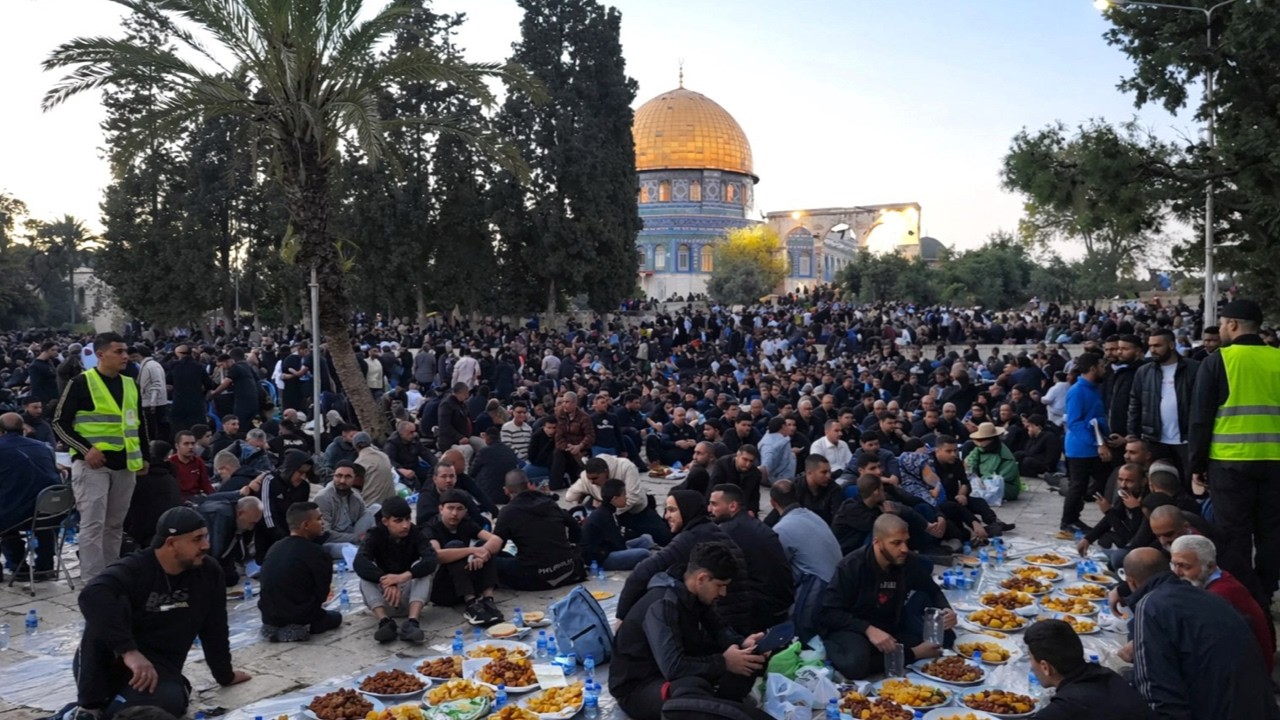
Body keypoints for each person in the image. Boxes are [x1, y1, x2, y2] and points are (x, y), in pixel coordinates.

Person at [69, 507, 251, 720]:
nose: (206, 546)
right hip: (113, 660)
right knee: (101, 612)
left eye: (205, 537)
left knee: (161, 707)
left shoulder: (208, 573)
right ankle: (89, 707)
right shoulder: (136, 567)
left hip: (159, 669)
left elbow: (216, 628)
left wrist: (225, 675)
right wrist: (128, 650)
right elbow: (91, 595)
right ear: (171, 543)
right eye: (197, 539)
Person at [1187, 299, 1280, 614]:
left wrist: (1196, 465)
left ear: (1233, 325)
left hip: (1230, 463)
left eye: (1224, 324)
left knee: (1234, 535)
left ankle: (1244, 597)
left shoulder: (1218, 361)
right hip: (1275, 463)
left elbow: (1200, 419)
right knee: (1272, 533)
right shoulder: (1277, 359)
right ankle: (1266, 590)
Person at [608, 541, 771, 720]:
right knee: (691, 689)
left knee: (746, 663)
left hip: (671, 669)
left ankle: (722, 706)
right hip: (638, 685)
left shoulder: (695, 595)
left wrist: (743, 644)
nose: (723, 593)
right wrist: (724, 662)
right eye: (720, 585)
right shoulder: (662, 604)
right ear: (701, 578)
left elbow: (719, 631)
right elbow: (673, 667)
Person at [1123, 547, 1277, 720]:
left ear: (1132, 582)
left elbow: (1156, 690)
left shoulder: (1150, 605)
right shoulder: (1208, 596)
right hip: (1258, 705)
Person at [53, 331, 150, 581]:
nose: (125, 356)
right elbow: (59, 423)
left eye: (126, 351)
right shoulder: (81, 383)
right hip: (92, 465)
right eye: (118, 351)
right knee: (93, 525)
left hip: (126, 464)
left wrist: (146, 457)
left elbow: (140, 425)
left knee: (115, 525)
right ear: (100, 354)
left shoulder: (130, 383)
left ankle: (113, 575)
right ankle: (94, 581)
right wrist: (86, 450)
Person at [818, 514, 955, 680]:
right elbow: (829, 612)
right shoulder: (852, 566)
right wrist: (868, 630)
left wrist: (946, 609)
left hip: (889, 626)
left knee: (945, 637)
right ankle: (908, 654)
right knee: (855, 665)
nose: (904, 549)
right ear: (877, 542)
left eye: (906, 541)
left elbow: (932, 590)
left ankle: (895, 654)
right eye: (896, 543)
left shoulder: (907, 561)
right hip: (853, 627)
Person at [616, 489, 753, 635]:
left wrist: (621, 617)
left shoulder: (691, 537)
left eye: (672, 510)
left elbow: (642, 572)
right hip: (739, 619)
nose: (666, 516)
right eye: (666, 510)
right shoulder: (710, 529)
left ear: (687, 510)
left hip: (723, 623)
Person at [1169, 534, 1273, 675]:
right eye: (1174, 564)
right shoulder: (1219, 581)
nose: (1177, 572)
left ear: (1210, 566)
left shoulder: (1219, 595)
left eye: (1184, 566)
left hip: (1246, 677)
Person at [1024, 619, 1154, 720]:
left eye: (1031, 658)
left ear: (1045, 667)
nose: (1031, 666)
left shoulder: (1066, 708)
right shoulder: (1107, 675)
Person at [708, 483, 795, 634]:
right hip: (782, 600)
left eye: (714, 504)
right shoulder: (751, 524)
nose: (709, 509)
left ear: (732, 506)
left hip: (762, 607)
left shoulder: (728, 532)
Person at [353, 496, 438, 644]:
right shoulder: (374, 535)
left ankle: (412, 623)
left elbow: (431, 559)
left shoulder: (416, 533)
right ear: (385, 521)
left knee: (423, 570)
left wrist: (404, 576)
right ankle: (384, 622)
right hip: (385, 596)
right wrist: (385, 580)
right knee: (364, 576)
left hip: (410, 596)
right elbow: (359, 562)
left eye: (407, 519)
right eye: (398, 521)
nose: (405, 525)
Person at [258, 502, 343, 642]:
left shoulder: (275, 547)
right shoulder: (316, 553)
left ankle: (277, 627)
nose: (322, 523)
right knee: (335, 618)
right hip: (298, 614)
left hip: (269, 616)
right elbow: (321, 595)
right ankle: (300, 627)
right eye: (318, 519)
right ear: (306, 525)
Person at [768, 479, 841, 641]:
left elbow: (778, 570)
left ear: (773, 503)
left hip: (818, 591)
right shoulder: (812, 516)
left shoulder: (782, 529)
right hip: (838, 585)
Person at [422, 489, 503, 624]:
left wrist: (482, 553)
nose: (454, 513)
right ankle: (470, 604)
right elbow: (437, 555)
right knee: (455, 545)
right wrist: (471, 550)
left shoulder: (466, 523)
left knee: (485, 545)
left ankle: (488, 599)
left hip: (466, 580)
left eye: (460, 509)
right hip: (443, 588)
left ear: (465, 511)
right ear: (441, 509)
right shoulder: (430, 528)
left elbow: (496, 540)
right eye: (450, 508)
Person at [493, 470, 584, 590]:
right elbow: (575, 528)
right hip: (566, 569)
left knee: (489, 559)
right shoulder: (549, 503)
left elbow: (496, 546)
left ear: (507, 490)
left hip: (535, 577)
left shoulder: (508, 512)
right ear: (528, 485)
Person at [1128, 329, 1198, 480]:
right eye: (1150, 346)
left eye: (1157, 345)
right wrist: (1133, 434)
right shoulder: (1144, 372)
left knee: (1188, 482)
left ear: (1171, 345)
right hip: (1155, 440)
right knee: (1159, 482)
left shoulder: (1194, 368)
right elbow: (1135, 404)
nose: (1152, 350)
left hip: (1185, 440)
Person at [0, 412, 61, 580]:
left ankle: (18, 566)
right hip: (53, 511)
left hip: (17, 514)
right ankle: (45, 565)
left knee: (8, 513)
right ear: (23, 428)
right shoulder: (44, 447)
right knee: (42, 518)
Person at [569, 455, 670, 544]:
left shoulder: (626, 467)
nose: (591, 482)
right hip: (610, 514)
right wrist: (585, 495)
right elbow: (570, 496)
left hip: (636, 511)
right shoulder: (588, 478)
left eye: (595, 478)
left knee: (664, 536)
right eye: (589, 479)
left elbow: (633, 498)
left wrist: (612, 510)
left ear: (606, 471)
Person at [831, 474, 938, 555]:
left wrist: (926, 526)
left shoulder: (878, 503)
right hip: (846, 551)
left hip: (862, 546)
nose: (884, 493)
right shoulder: (851, 508)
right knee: (880, 533)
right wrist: (889, 515)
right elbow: (878, 525)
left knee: (903, 516)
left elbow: (905, 510)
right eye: (882, 489)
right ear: (876, 492)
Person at [1062, 353, 1110, 534]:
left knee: (1102, 480)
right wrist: (1097, 443)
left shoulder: (1093, 388)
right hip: (1081, 447)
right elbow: (1074, 422)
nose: (1104, 370)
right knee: (1078, 486)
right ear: (1092, 368)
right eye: (1101, 366)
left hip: (1094, 444)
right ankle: (1068, 521)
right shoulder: (1077, 391)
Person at [581, 478, 658, 571]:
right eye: (624, 494)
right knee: (644, 553)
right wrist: (629, 551)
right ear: (615, 499)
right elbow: (617, 544)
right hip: (601, 557)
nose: (626, 497)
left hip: (610, 547)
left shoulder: (609, 510)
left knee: (646, 539)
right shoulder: (604, 515)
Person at [253, 449, 315, 564]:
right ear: (290, 469)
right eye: (300, 472)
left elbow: (300, 514)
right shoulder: (270, 481)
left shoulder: (304, 487)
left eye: (306, 474)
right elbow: (267, 514)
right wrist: (283, 538)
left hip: (292, 537)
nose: (302, 477)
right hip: (269, 537)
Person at [314, 461, 376, 560]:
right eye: (338, 476)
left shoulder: (355, 496)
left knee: (376, 508)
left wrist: (368, 536)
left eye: (347, 477)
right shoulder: (323, 498)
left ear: (354, 479)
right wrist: (356, 538)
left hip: (352, 533)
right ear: (333, 476)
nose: (342, 480)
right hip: (331, 542)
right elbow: (325, 534)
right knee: (350, 550)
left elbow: (364, 517)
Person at [198, 495, 262, 586]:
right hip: (203, 559)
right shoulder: (223, 517)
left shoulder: (237, 521)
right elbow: (216, 551)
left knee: (232, 578)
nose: (251, 528)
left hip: (214, 558)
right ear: (240, 513)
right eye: (251, 523)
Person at [963, 422, 1020, 502]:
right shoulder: (980, 449)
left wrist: (984, 480)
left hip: (1004, 485)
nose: (980, 443)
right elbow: (970, 460)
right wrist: (973, 475)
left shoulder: (1005, 456)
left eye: (983, 440)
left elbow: (1004, 477)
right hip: (982, 481)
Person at [550, 392, 594, 489]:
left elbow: (590, 436)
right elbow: (558, 437)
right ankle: (554, 486)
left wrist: (580, 446)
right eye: (563, 402)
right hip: (566, 449)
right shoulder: (560, 416)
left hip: (581, 449)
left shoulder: (584, 417)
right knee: (557, 453)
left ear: (574, 403)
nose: (564, 404)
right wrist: (569, 448)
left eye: (567, 402)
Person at [470, 425, 519, 508]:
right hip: (506, 496)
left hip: (487, 496)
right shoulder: (510, 451)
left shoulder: (484, 452)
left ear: (487, 438)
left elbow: (472, 472)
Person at [353, 431, 396, 506]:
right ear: (370, 442)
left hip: (370, 506)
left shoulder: (359, 463)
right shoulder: (384, 456)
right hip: (390, 503)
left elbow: (354, 490)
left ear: (355, 446)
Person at [168, 431, 213, 501]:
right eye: (186, 444)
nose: (191, 447)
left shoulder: (198, 461)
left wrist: (214, 498)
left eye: (193, 443)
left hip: (199, 497)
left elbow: (206, 485)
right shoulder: (170, 463)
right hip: (182, 500)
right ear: (177, 446)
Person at [758, 415, 795, 484]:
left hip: (785, 481)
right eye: (787, 425)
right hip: (776, 484)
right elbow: (765, 468)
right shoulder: (770, 445)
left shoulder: (783, 440)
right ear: (783, 426)